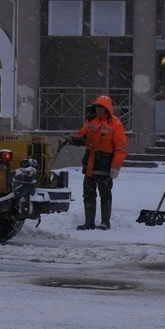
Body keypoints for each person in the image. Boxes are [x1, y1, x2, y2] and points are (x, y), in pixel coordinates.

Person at [61, 95, 128, 230]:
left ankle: (105, 222)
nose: (98, 110)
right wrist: (70, 139)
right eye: (97, 107)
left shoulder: (115, 124)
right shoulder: (91, 121)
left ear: (107, 109)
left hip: (105, 165)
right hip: (90, 165)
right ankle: (89, 222)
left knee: (105, 194)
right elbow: (82, 137)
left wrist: (115, 166)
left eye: (101, 107)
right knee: (88, 194)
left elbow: (121, 148)